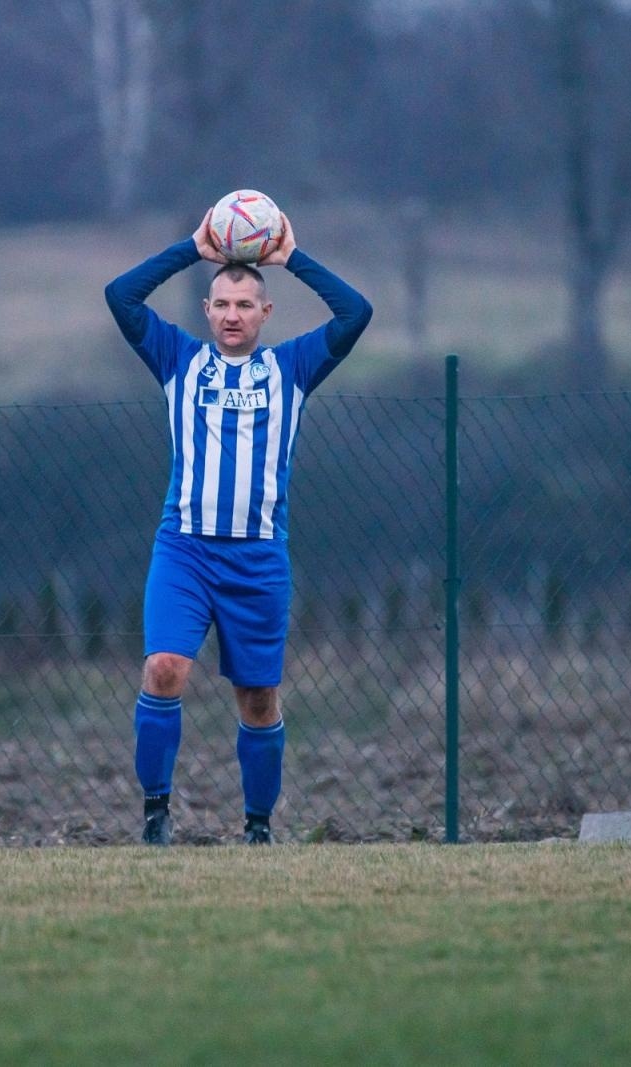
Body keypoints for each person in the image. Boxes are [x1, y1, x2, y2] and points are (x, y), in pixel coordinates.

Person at [104, 206, 372, 845]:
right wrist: (194, 248)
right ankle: (155, 818)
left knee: (257, 699)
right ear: (206, 310)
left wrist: (289, 258)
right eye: (221, 302)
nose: (232, 315)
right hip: (186, 550)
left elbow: (356, 313)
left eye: (246, 304)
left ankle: (257, 828)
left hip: (257, 559)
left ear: (265, 314)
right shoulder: (176, 359)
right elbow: (120, 296)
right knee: (165, 667)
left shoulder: (293, 369)